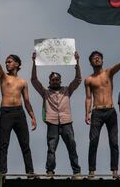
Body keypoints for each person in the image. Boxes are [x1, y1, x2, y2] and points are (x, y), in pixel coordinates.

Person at [85, 41, 120, 179]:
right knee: (93, 141)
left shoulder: (108, 72)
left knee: (114, 142)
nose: (97, 58)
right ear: (90, 62)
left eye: (98, 57)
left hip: (110, 111)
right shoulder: (88, 79)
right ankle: (91, 171)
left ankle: (115, 171)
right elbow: (88, 98)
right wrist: (87, 113)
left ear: (102, 60)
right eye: (94, 57)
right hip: (97, 112)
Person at [31, 51, 82, 179]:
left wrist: (77, 62)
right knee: (51, 148)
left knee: (72, 147)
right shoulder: (45, 92)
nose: (55, 81)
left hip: (66, 122)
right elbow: (34, 80)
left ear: (60, 80)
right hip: (52, 123)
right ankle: (50, 171)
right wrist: (34, 62)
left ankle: (76, 172)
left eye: (57, 79)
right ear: (50, 81)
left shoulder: (67, 90)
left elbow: (78, 79)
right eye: (53, 80)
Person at [0, 39, 36, 177]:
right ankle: (3, 171)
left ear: (17, 64)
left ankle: (30, 172)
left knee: (25, 144)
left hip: (19, 112)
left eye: (9, 61)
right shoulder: (4, 77)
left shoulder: (22, 82)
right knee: (3, 143)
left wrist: (32, 116)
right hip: (6, 112)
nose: (7, 63)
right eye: (6, 62)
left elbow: (27, 101)